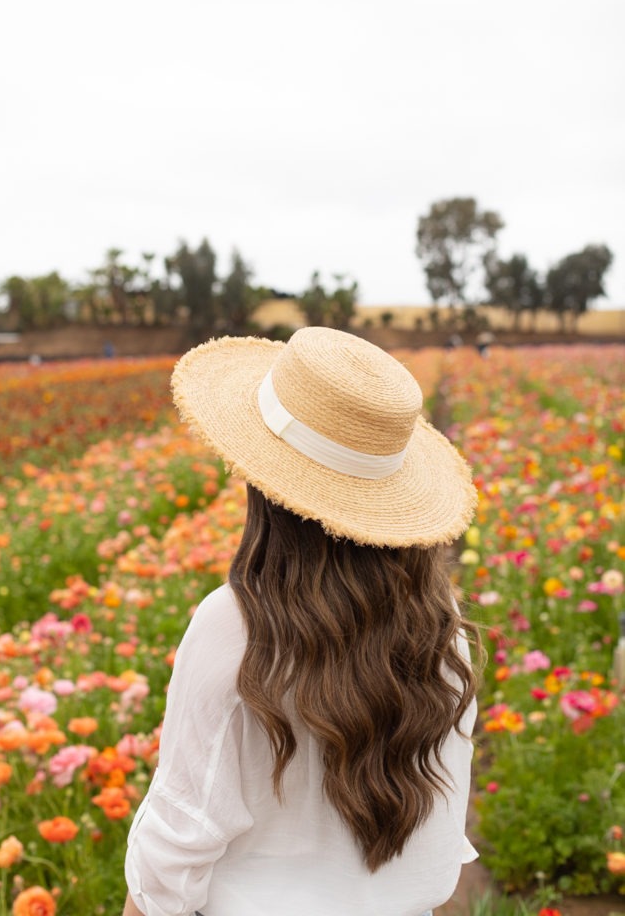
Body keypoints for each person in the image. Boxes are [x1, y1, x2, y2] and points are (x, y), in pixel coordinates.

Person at [123, 326, 481, 916]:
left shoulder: (235, 626)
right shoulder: (444, 638)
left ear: (266, 487)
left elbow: (174, 851)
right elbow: (434, 861)